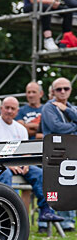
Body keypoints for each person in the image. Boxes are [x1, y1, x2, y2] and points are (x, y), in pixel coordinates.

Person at [0, 96, 63, 228]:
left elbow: (25, 152)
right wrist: (8, 163)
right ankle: (6, 214)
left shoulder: (21, 129)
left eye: (12, 108)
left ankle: (46, 210)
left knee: (40, 174)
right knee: (5, 174)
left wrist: (26, 162)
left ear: (17, 111)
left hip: (16, 164)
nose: (9, 111)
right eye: (6, 107)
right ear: (1, 108)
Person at [41, 77, 77, 229]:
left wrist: (66, 110)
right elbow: (56, 127)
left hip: (71, 152)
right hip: (54, 153)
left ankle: (68, 222)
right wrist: (75, 126)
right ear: (53, 91)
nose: (62, 92)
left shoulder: (71, 107)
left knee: (70, 185)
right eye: (59, 89)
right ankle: (47, 222)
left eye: (66, 88)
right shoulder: (48, 107)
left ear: (70, 90)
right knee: (55, 187)